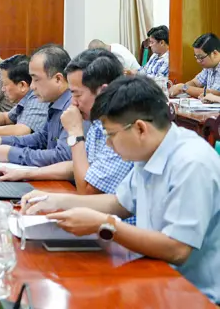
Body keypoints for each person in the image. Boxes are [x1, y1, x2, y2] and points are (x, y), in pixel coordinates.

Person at [21, 76, 220, 304]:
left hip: (191, 294)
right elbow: (119, 203)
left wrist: (105, 225)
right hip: (151, 273)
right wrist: (56, 200)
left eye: (111, 135)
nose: (108, 144)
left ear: (140, 128)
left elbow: (177, 249)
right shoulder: (150, 149)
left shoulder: (192, 163)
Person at [0, 50, 134, 201]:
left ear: (102, 92)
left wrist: (75, 133)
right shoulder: (97, 122)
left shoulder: (122, 129)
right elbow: (76, 164)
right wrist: (25, 173)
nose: (73, 102)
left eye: (77, 94)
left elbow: (87, 191)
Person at [0, 45, 72, 167]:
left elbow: (62, 157)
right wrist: (2, 140)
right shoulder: (55, 102)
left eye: (36, 79)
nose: (32, 86)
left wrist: (12, 154)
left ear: (58, 79)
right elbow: (41, 138)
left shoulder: (73, 107)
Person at [170, 33, 220, 98]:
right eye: (196, 57)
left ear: (215, 53)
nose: (198, 61)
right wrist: (179, 89)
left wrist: (184, 88)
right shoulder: (209, 67)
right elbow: (195, 83)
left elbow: (215, 93)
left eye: (201, 57)